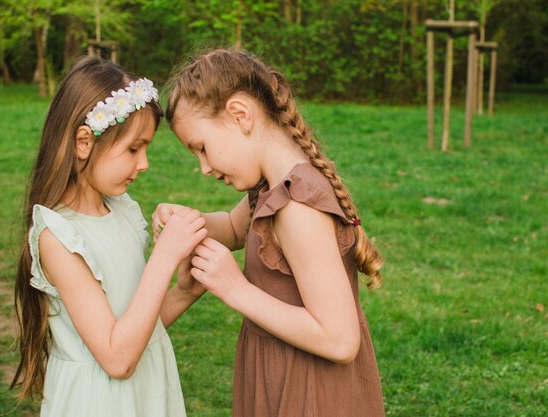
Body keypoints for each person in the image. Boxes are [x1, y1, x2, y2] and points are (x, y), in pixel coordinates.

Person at [154, 48, 385, 417]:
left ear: (240, 115)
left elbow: (340, 340)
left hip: (310, 390)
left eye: (202, 148)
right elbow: (232, 229)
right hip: (282, 371)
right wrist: (186, 221)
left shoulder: (297, 209)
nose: (204, 167)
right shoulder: (272, 188)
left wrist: (235, 288)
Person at [10, 56, 207, 417]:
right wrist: (164, 256)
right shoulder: (58, 237)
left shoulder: (120, 212)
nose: (144, 163)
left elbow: (133, 329)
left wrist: (183, 293)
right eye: (134, 148)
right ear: (84, 141)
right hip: (97, 402)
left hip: (143, 393)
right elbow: (117, 358)